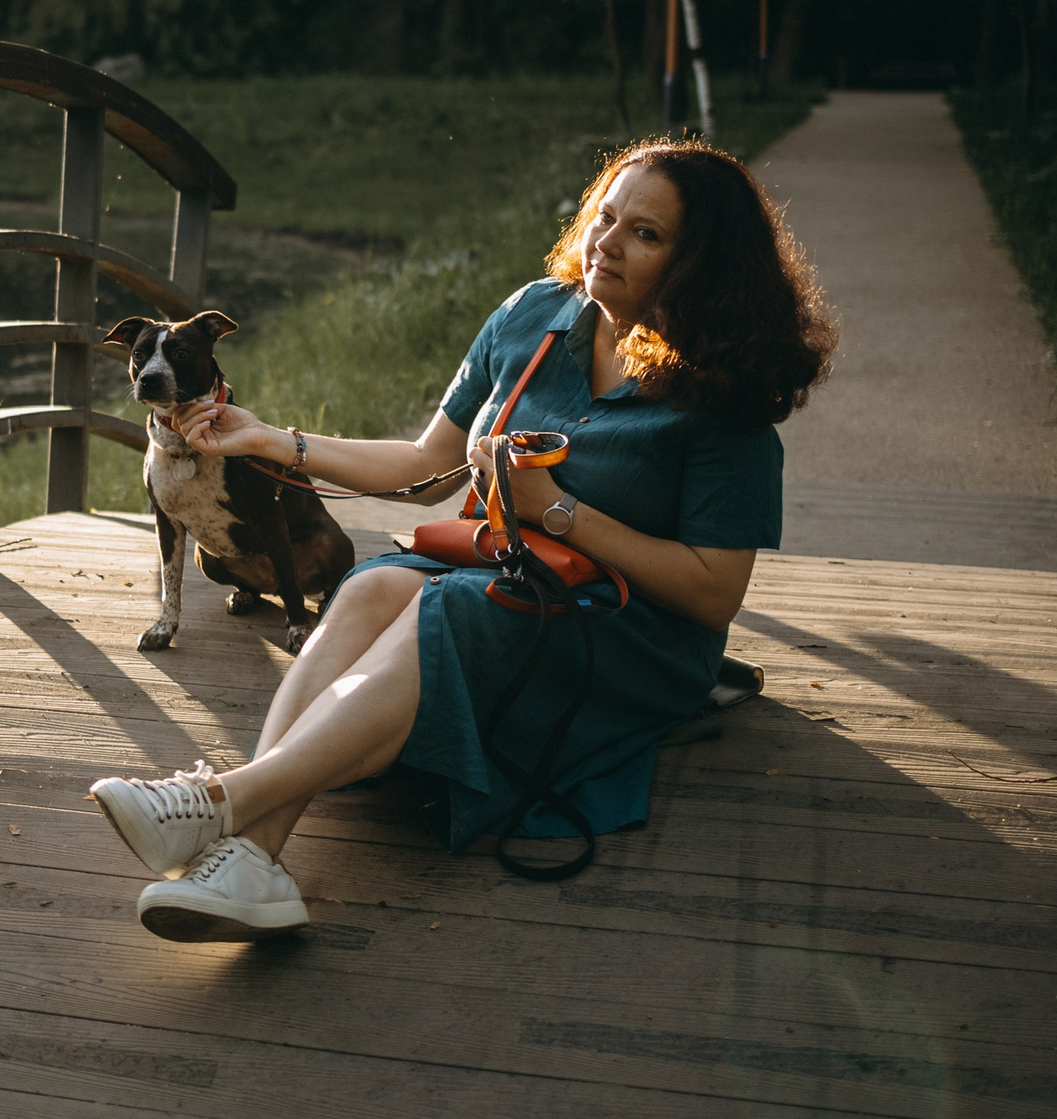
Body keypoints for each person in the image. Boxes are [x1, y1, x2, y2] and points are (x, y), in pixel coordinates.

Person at [88, 137, 835, 941]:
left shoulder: (725, 392)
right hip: (509, 575)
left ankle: (222, 804)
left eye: (645, 234)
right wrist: (268, 440)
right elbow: (426, 463)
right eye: (605, 216)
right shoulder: (533, 317)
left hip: (630, 632)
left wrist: (556, 511)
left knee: (450, 613)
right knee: (373, 584)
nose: (606, 243)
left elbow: (714, 591)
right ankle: (255, 860)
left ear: (700, 265)